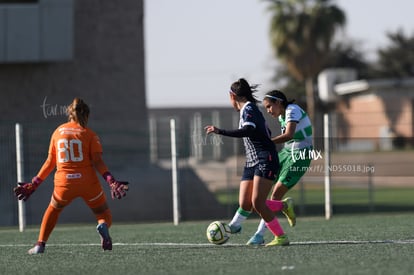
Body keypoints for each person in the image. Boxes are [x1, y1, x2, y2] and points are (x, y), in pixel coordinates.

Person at [14, 98, 129, 254]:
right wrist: (111, 180)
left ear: (69, 114)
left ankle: (40, 245)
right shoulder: (89, 134)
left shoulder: (57, 132)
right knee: (103, 213)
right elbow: (98, 162)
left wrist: (34, 184)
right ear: (86, 115)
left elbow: (49, 162)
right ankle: (102, 226)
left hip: (64, 184)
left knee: (53, 210)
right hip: (88, 183)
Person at [205, 78, 293, 247]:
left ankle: (281, 236)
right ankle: (238, 225)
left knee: (258, 203)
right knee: (245, 204)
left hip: (265, 158)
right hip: (252, 161)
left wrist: (220, 131)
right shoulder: (248, 110)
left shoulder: (249, 109)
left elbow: (249, 130)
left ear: (232, 96)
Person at [246, 90, 313, 245]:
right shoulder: (283, 115)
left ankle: (260, 235)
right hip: (285, 153)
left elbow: (289, 134)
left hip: (299, 156)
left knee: (273, 195)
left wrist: (267, 143)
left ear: (278, 102)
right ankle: (284, 206)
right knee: (260, 196)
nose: (269, 111)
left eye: (270, 106)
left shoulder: (292, 110)